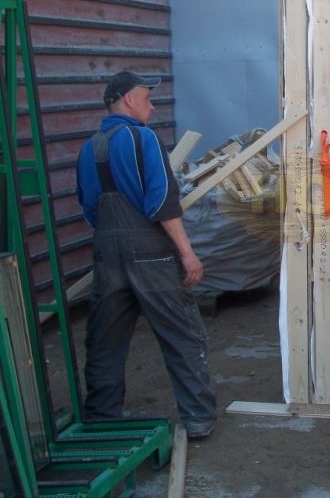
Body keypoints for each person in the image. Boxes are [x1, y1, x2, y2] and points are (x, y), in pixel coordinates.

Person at [76, 71, 217, 438]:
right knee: (182, 333)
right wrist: (187, 254)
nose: (152, 106)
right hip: (150, 253)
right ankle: (198, 417)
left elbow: (89, 209)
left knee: (105, 339)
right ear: (127, 100)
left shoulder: (90, 147)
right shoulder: (143, 139)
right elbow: (161, 202)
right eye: (146, 97)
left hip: (106, 253)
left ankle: (102, 418)